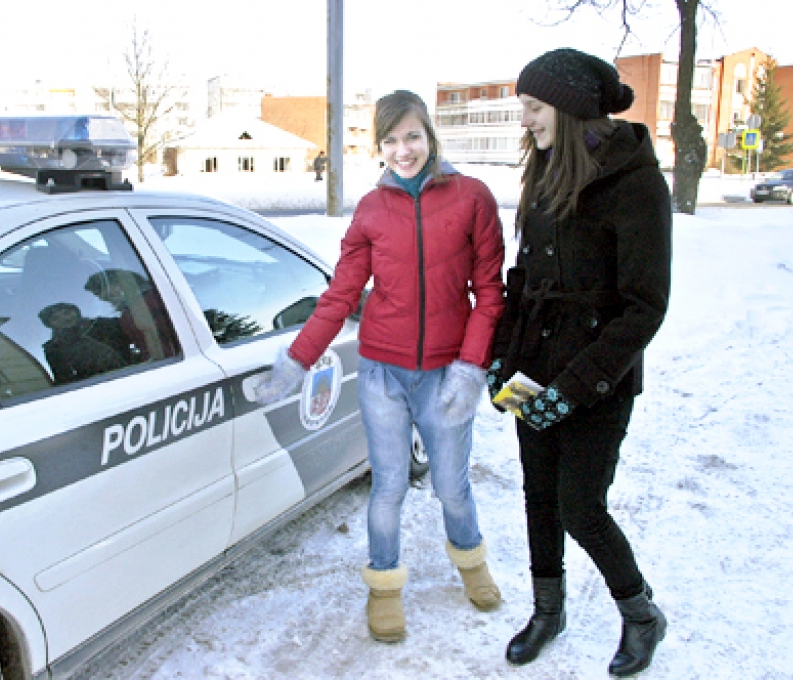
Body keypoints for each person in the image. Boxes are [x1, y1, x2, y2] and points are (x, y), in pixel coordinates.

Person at [255, 90, 506, 643]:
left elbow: (489, 293)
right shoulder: (371, 210)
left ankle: (471, 562)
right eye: (390, 140)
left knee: (451, 485)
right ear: (380, 147)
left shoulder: (472, 199)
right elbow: (341, 295)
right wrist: (298, 360)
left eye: (412, 136)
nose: (403, 149)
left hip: (446, 371)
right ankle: (385, 586)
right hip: (382, 374)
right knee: (388, 485)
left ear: (431, 136)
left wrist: (470, 369)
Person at [486, 48, 671, 677]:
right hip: (533, 366)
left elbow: (644, 307)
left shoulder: (635, 181)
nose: (526, 121)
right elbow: (524, 279)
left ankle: (641, 615)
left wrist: (576, 388)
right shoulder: (545, 167)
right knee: (539, 495)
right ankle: (548, 610)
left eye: (534, 108)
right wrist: (499, 359)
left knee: (580, 505)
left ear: (566, 108)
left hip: (598, 380)